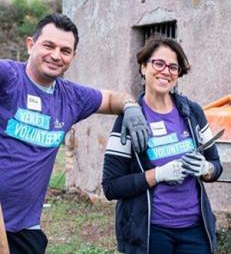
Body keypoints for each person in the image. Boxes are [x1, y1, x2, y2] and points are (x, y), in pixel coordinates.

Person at [0, 13, 149, 254]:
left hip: (25, 228)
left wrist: (131, 107)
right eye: (48, 45)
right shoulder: (8, 77)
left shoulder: (71, 97)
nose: (56, 55)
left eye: (65, 50)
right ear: (30, 44)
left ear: (73, 56)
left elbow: (111, 98)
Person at [102, 34, 223, 254]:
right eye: (158, 63)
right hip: (150, 232)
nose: (165, 71)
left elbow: (216, 165)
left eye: (173, 67)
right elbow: (111, 187)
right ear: (143, 67)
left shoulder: (192, 113)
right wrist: (157, 174)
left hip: (195, 230)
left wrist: (205, 169)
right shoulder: (128, 121)